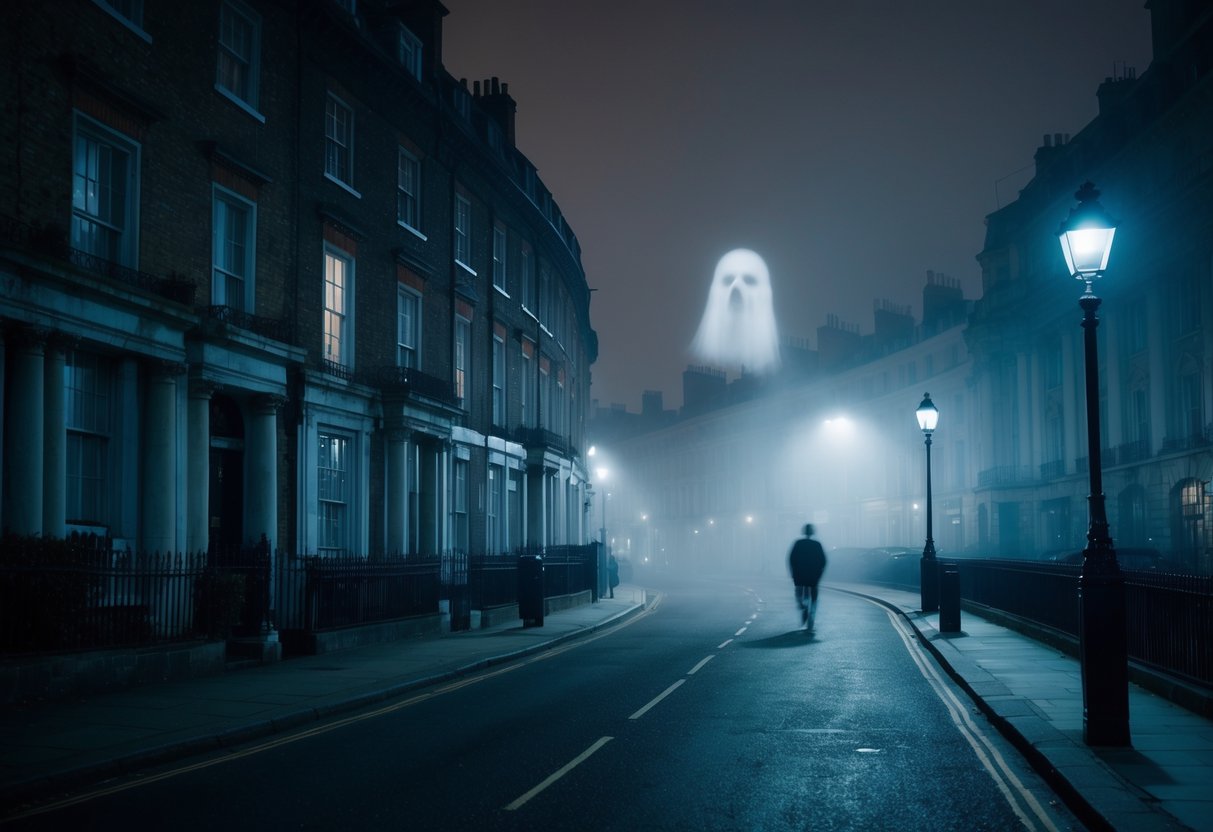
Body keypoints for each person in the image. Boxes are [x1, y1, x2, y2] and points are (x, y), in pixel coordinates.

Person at [788, 523, 827, 631]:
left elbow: (791, 559)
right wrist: (819, 573)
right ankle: (811, 615)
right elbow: (823, 561)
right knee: (814, 596)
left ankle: (803, 606)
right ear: (813, 532)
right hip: (813, 575)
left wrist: (793, 572)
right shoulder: (817, 544)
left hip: (800, 574)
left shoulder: (798, 543)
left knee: (799, 593)